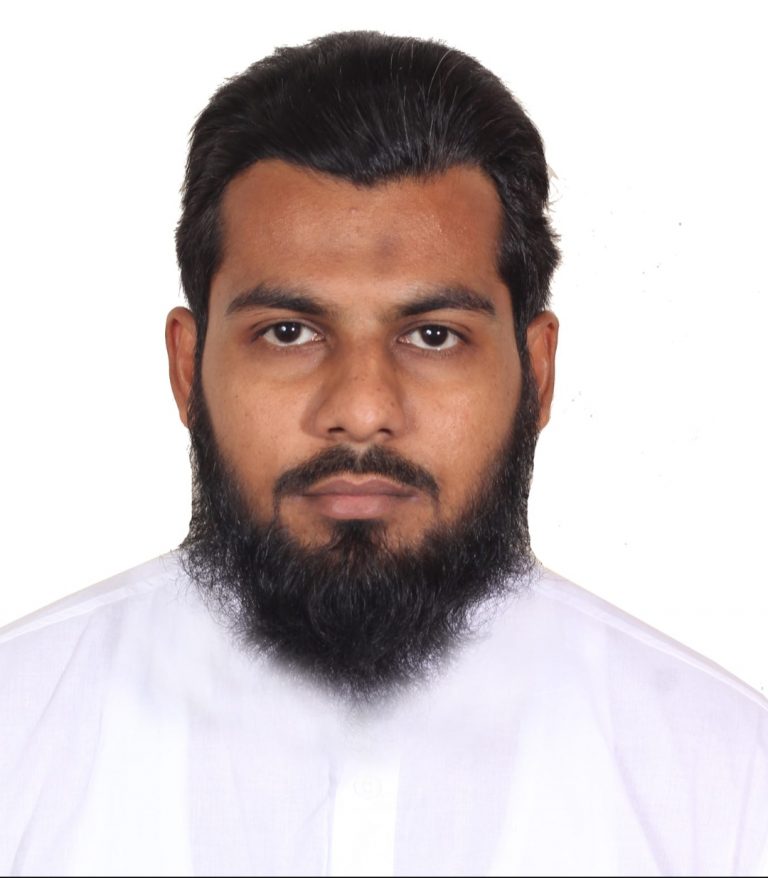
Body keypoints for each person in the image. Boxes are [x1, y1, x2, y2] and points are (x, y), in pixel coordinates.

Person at [0, 29, 765, 877]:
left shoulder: (726, 778)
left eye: (433, 335)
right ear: (188, 369)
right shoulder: (16, 733)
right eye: (288, 333)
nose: (362, 413)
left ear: (538, 375)